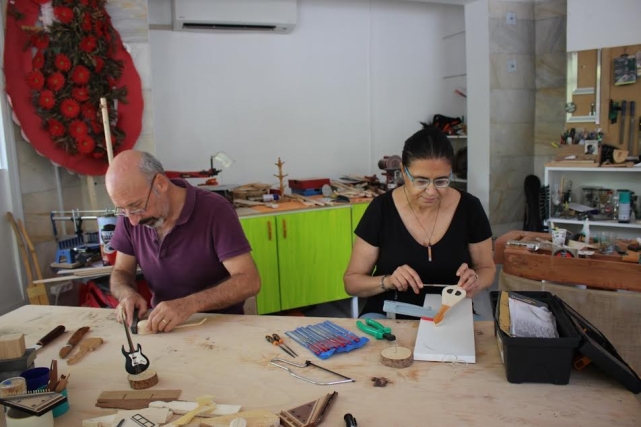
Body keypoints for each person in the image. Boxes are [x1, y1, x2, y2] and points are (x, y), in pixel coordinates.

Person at [344, 124, 496, 318]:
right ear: (403, 171)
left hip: (451, 312)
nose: (431, 191)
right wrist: (388, 281)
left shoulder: (470, 207)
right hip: (388, 312)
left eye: (441, 181)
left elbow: (486, 269)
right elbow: (351, 283)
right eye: (421, 181)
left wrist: (475, 280)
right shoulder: (381, 209)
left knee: (481, 336)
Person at [106, 150, 261, 333]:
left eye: (137, 206)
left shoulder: (215, 210)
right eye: (122, 209)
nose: (132, 220)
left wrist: (189, 305)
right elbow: (122, 271)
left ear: (161, 183)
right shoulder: (130, 216)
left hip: (219, 327)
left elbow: (249, 280)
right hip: (163, 328)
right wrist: (126, 294)